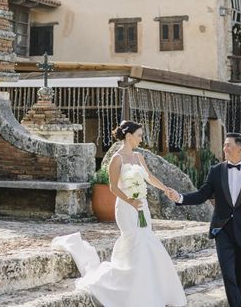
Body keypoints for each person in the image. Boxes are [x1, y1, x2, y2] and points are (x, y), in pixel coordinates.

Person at [53, 120, 187, 307]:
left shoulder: (139, 157)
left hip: (142, 206)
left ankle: (145, 290)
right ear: (128, 136)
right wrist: (130, 200)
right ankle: (121, 288)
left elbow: (149, 177)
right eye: (139, 135)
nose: (141, 139)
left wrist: (165, 188)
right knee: (134, 241)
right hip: (125, 207)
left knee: (146, 240)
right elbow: (113, 187)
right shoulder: (117, 158)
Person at [165, 132, 241, 307]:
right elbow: (202, 195)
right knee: (228, 275)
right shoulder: (216, 171)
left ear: (240, 149)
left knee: (240, 276)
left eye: (229, 145)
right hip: (222, 230)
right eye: (224, 145)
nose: (224, 148)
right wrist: (180, 197)